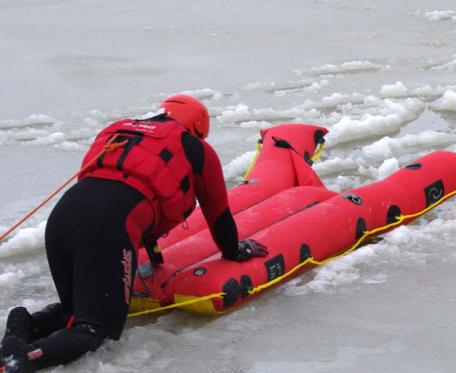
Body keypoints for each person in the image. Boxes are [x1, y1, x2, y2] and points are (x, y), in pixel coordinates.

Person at [1, 94, 269, 372]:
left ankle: (22, 324)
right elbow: (219, 215)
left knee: (75, 311)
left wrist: (149, 254)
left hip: (63, 217)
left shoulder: (118, 131)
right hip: (107, 225)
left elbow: (107, 185)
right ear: (199, 127)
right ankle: (18, 361)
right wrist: (236, 250)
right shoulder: (195, 148)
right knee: (96, 329)